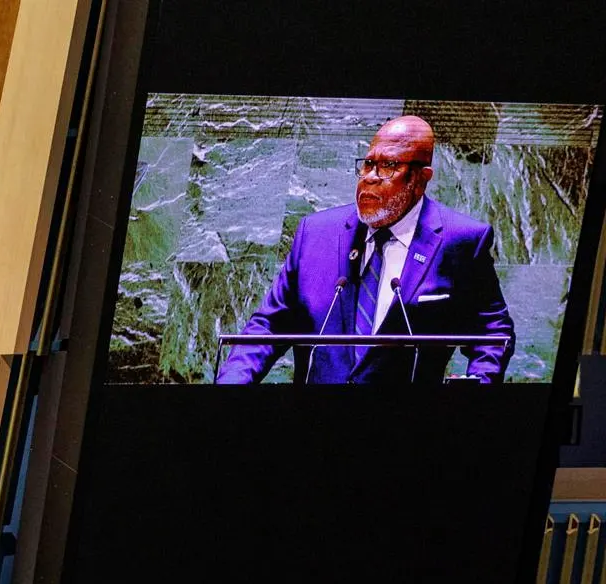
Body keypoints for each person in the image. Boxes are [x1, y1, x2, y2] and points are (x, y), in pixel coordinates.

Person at [215, 115, 514, 385]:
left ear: (421, 180)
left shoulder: (460, 241)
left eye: (389, 166)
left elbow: (493, 332)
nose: (370, 176)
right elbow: (268, 326)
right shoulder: (316, 234)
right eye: (368, 163)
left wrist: (478, 386)